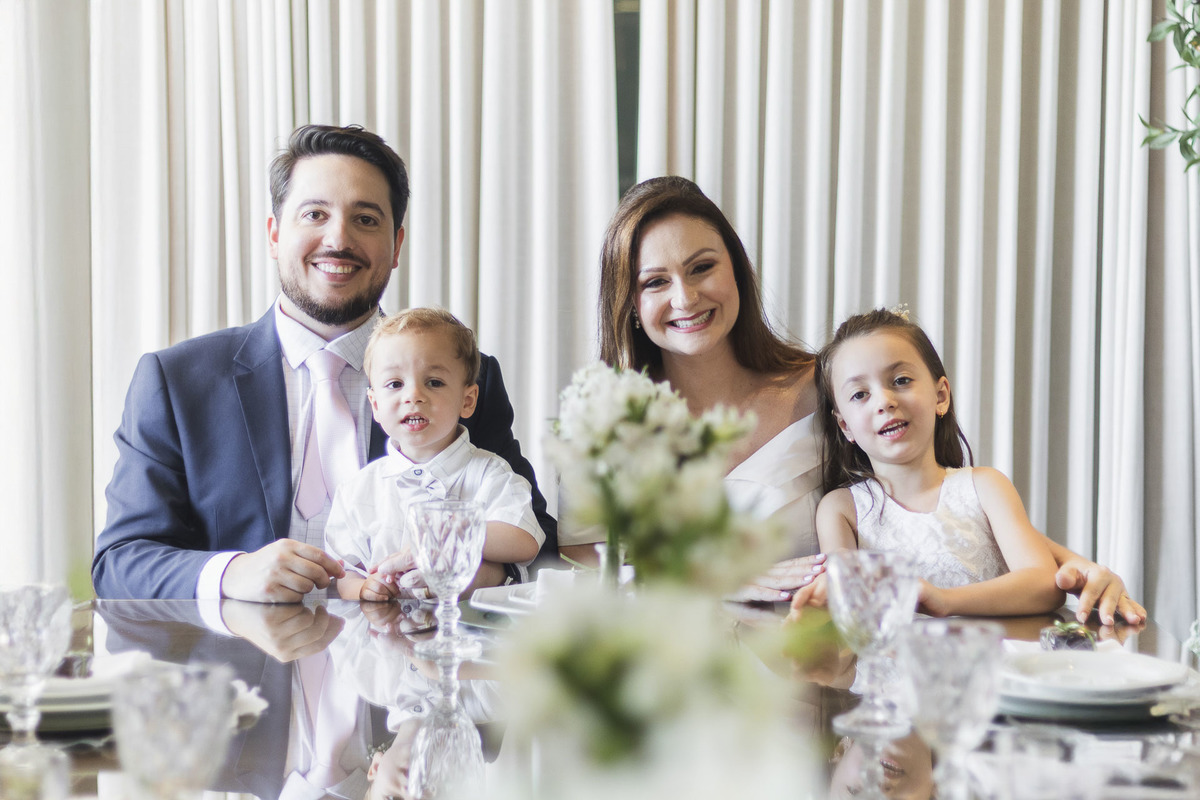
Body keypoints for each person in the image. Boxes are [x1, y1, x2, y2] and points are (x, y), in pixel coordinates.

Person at [582, 175, 1143, 625]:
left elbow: (936, 501)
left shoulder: (823, 390)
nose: (686, 297)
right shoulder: (604, 425)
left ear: (736, 271)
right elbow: (582, 564)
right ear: (628, 302)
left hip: (808, 671)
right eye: (655, 282)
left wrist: (1080, 568)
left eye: (703, 267)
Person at [93, 123, 554, 602]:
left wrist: (485, 577)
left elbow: (539, 543)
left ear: (396, 246)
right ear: (275, 235)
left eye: (366, 219)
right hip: (242, 650)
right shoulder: (176, 382)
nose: (338, 239)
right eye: (315, 214)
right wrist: (231, 573)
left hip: (413, 648)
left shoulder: (459, 376)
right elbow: (121, 561)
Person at [791, 308, 1064, 617]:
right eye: (860, 394)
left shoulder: (986, 486)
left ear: (941, 396)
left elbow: (1044, 583)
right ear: (845, 427)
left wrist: (945, 600)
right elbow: (845, 597)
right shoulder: (842, 509)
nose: (884, 402)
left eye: (901, 380)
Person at [325, 308, 543, 601]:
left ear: (467, 401)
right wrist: (364, 589)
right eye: (395, 384)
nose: (413, 396)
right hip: (384, 626)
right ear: (375, 405)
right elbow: (344, 574)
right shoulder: (357, 489)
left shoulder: (491, 473)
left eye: (434, 382)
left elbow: (524, 540)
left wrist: (445, 537)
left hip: (466, 625)